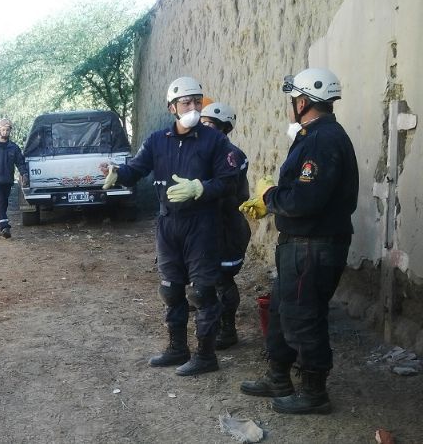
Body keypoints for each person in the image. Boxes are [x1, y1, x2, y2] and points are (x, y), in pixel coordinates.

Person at [101, 77, 240, 376]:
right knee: (171, 289)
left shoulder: (214, 141)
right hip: (168, 224)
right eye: (186, 102)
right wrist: (118, 174)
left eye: (196, 102)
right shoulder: (156, 140)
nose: (192, 107)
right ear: (172, 107)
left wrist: (200, 188)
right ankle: (177, 348)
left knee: (202, 292)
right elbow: (136, 169)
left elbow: (229, 181)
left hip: (201, 224)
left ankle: (206, 356)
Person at [239, 68, 358, 414]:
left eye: (294, 100)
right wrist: (272, 202)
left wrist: (270, 196)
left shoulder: (322, 140)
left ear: (303, 101)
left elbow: (304, 201)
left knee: (303, 317)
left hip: (313, 245)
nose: (293, 105)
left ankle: (314, 393)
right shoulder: (313, 136)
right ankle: (278, 376)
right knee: (281, 310)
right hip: (300, 243)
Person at [199, 102, 251, 349]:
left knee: (222, 278)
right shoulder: (204, 152)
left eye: (209, 125)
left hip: (226, 226)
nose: (203, 129)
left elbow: (223, 189)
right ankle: (213, 321)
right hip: (207, 227)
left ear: (223, 129)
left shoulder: (232, 155)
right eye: (203, 123)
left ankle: (228, 329)